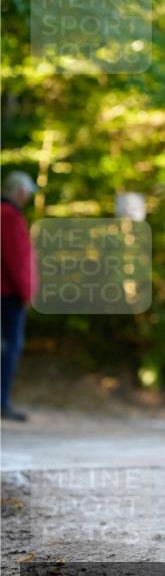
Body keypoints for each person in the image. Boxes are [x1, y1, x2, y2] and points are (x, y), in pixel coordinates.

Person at [1, 171, 39, 422]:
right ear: (20, 191)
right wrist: (26, 292)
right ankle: (2, 401)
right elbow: (15, 258)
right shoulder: (9, 215)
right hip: (8, 293)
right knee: (10, 347)